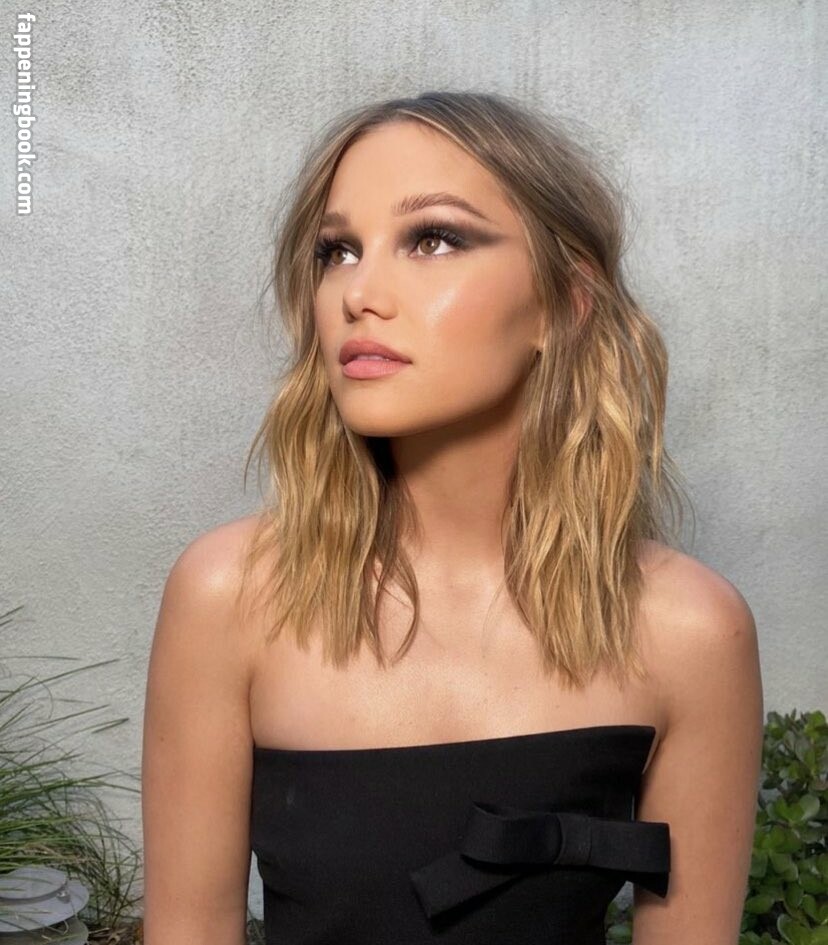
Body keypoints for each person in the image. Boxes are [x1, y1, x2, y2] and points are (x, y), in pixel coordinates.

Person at [141, 90, 764, 944]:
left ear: (565, 302)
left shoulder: (692, 631)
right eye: (337, 250)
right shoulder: (230, 596)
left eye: (432, 238)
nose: (360, 292)